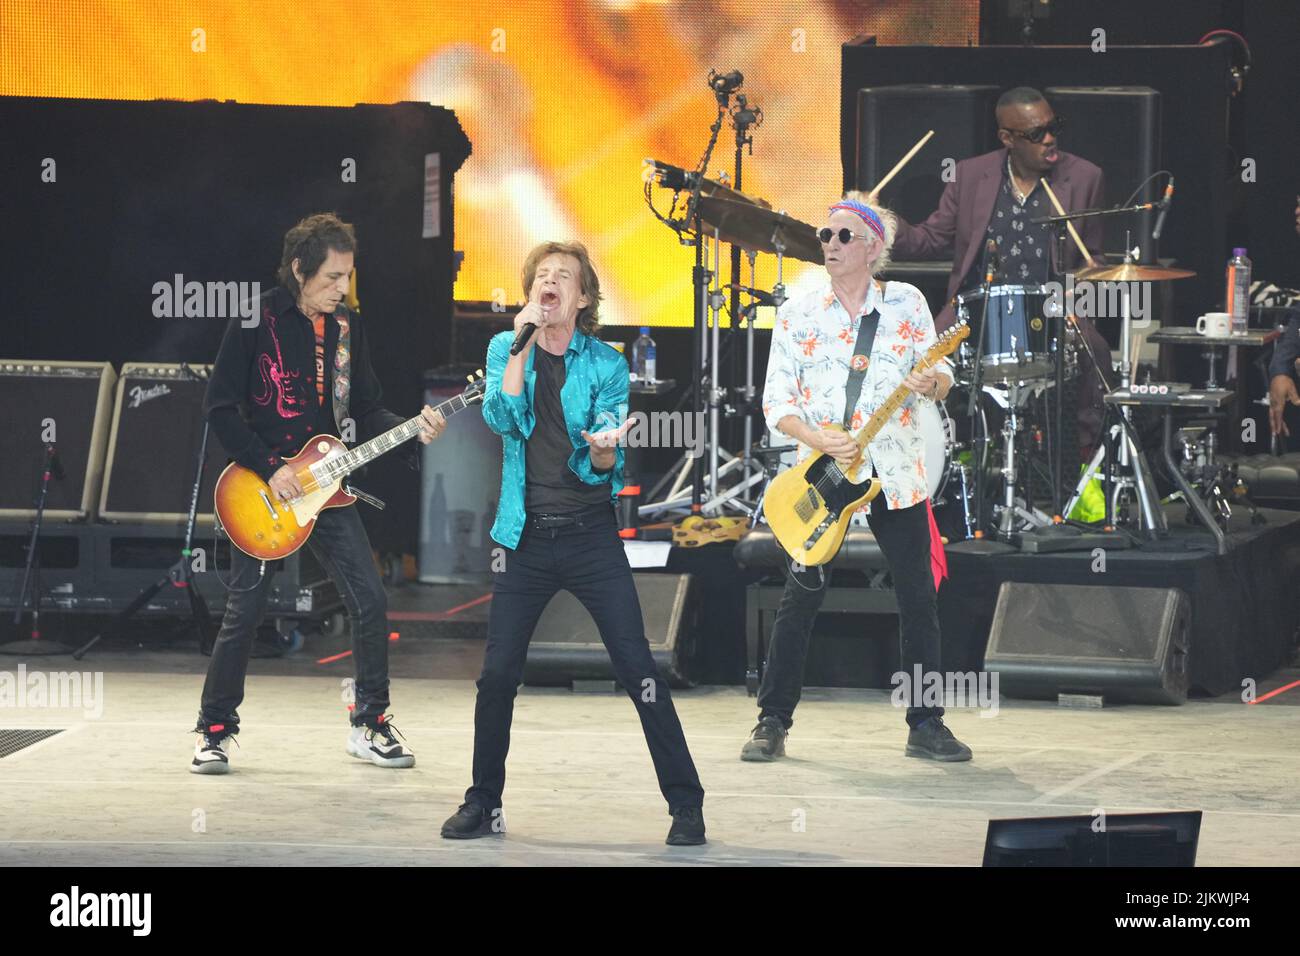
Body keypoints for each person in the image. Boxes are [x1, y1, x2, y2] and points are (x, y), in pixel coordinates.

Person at [439, 241, 707, 846]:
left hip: (589, 535)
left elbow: (600, 460)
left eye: (564, 276)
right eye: (541, 275)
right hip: (523, 538)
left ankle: (686, 806)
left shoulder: (606, 362)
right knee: (497, 676)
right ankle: (483, 803)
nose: (550, 282)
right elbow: (503, 420)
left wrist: (606, 451)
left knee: (639, 669)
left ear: (582, 298)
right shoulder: (506, 348)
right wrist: (519, 343)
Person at [192, 213, 446, 774]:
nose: (342, 289)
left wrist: (412, 427)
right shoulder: (256, 317)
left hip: (324, 488)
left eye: (348, 277)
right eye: (332, 278)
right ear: (300, 270)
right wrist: (267, 466)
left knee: (371, 600)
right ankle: (213, 729)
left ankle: (370, 724)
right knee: (246, 609)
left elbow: (366, 407)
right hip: (260, 488)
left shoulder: (346, 329)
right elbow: (220, 407)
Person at [743, 194, 973, 763]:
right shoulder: (800, 311)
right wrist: (819, 438)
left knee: (918, 597)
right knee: (801, 596)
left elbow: (942, 370)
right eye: (825, 236)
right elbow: (777, 402)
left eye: (843, 236)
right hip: (824, 473)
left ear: (873, 247)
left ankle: (926, 723)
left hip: (894, 471)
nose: (830, 245)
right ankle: (772, 720)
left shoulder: (907, 303)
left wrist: (933, 384)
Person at [879, 87, 1112, 458]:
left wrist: (1082, 284)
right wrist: (882, 222)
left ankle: (1085, 461)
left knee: (1096, 352)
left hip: (1050, 305)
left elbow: (1092, 258)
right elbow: (930, 239)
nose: (1050, 139)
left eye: (1054, 127)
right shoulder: (971, 175)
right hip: (977, 305)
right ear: (1007, 138)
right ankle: (924, 459)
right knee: (917, 357)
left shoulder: (1085, 177)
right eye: (1036, 134)